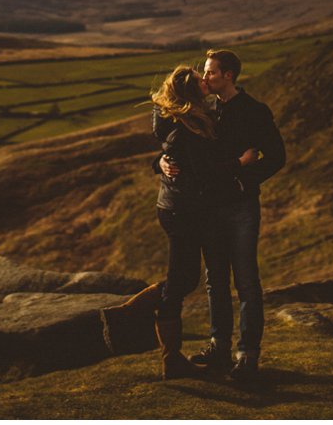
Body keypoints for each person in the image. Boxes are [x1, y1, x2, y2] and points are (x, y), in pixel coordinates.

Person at [100, 65, 242, 379]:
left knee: (183, 279)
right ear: (193, 94)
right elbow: (200, 169)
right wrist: (240, 163)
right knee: (180, 282)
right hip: (181, 212)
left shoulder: (193, 119)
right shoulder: (187, 128)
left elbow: (171, 156)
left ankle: (137, 319)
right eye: (200, 81)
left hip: (181, 209)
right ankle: (164, 351)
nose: (206, 81)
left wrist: (160, 162)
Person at [161, 48, 285, 383]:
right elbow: (177, 147)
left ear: (228, 75)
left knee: (246, 281)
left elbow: (276, 156)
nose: (205, 77)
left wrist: (243, 180)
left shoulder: (255, 111)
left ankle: (247, 356)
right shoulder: (207, 110)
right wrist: (160, 163)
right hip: (209, 209)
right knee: (215, 280)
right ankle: (219, 347)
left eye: (211, 72)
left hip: (242, 207)